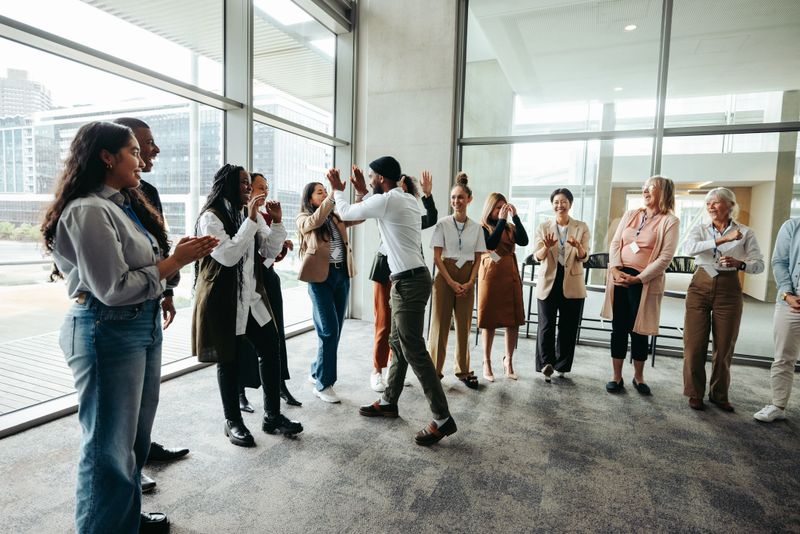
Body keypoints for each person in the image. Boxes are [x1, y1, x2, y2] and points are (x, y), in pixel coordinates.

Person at [41, 121, 217, 533]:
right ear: (107, 157)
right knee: (108, 447)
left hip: (140, 324)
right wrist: (175, 262)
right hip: (108, 329)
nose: (142, 159)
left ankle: (123, 521)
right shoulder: (87, 209)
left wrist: (171, 265)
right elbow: (113, 289)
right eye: (134, 151)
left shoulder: (121, 204)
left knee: (134, 442)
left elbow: (139, 271)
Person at [331, 156, 457, 446]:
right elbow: (371, 211)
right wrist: (366, 191)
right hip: (410, 279)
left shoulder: (389, 200)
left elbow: (347, 212)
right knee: (398, 343)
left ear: (382, 179)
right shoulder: (407, 199)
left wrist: (339, 189)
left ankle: (442, 418)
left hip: (409, 282)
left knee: (413, 349)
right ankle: (389, 401)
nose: (371, 180)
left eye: (373, 177)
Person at [193, 164, 303, 447]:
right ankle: (233, 422)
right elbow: (228, 255)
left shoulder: (247, 214)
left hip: (252, 298)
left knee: (271, 348)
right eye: (243, 183)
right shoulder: (211, 218)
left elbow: (267, 250)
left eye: (248, 183)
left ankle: (272, 417)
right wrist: (252, 219)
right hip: (224, 301)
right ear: (228, 184)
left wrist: (276, 223)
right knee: (227, 359)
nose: (248, 187)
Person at [113, 117, 190, 493]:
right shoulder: (96, 206)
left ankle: (141, 451)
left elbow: (158, 244)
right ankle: (129, 466)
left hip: (149, 302)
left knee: (145, 398)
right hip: (120, 312)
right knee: (122, 409)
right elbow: (114, 281)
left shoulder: (149, 191)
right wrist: (172, 266)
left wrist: (168, 291)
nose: (150, 152)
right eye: (140, 147)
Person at [682, 187, 764, 411]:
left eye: (716, 202)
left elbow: (759, 264)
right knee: (694, 344)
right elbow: (689, 248)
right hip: (700, 285)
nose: (710, 206)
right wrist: (721, 241)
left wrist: (740, 264)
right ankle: (695, 392)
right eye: (708, 203)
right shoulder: (700, 228)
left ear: (730, 206)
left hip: (729, 288)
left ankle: (719, 394)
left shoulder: (746, 232)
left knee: (725, 345)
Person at [600, 176, 679, 395]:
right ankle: (616, 377)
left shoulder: (670, 221)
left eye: (651, 188)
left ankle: (639, 377)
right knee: (618, 327)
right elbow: (616, 243)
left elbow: (665, 257)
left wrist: (638, 278)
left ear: (663, 192)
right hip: (619, 277)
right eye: (644, 188)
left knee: (639, 329)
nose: (645, 191)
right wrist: (615, 268)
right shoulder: (631, 214)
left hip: (644, 282)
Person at [237, 172, 301, 411]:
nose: (264, 192)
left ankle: (279, 386)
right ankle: (240, 390)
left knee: (275, 334)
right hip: (249, 282)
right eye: (259, 187)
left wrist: (281, 244)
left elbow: (270, 254)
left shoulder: (266, 217)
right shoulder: (244, 215)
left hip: (267, 280)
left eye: (267, 187)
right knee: (243, 337)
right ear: (247, 189)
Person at [369, 171, 438, 392]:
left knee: (402, 328)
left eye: (406, 187)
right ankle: (377, 371)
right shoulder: (387, 207)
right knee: (384, 323)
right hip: (385, 270)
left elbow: (433, 217)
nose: (402, 190)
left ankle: (393, 369)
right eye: (399, 186)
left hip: (409, 273)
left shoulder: (412, 214)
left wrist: (428, 195)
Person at [296, 181, 362, 403]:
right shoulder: (304, 218)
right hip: (319, 280)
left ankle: (316, 371)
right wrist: (332, 196)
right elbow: (315, 221)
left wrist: (361, 193)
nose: (324, 194)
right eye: (320, 192)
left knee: (335, 330)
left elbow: (358, 216)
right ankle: (324, 384)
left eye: (326, 191)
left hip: (341, 276)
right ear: (309, 198)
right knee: (329, 331)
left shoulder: (335, 216)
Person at [428, 172, 486, 389]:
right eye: (453, 197)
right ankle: (434, 370)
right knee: (440, 325)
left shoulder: (477, 228)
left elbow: (479, 257)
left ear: (469, 199)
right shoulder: (443, 224)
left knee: (464, 326)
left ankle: (463, 370)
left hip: (468, 275)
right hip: (445, 274)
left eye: (460, 197)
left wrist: (471, 282)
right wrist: (451, 282)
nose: (456, 201)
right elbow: (436, 257)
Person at [533, 188, 590, 382]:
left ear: (570, 204)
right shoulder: (543, 227)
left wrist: (578, 247)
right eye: (556, 202)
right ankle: (546, 364)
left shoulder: (581, 227)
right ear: (552, 205)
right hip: (549, 280)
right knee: (546, 326)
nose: (560, 205)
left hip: (572, 281)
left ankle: (562, 365)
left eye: (564, 201)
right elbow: (537, 256)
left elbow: (584, 257)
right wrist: (546, 247)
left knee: (568, 327)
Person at [477, 192, 529, 381]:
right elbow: (490, 243)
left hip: (509, 271)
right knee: (489, 318)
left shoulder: (510, 226)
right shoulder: (483, 227)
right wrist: (500, 221)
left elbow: (524, 241)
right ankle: (486, 361)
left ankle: (508, 360)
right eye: (498, 207)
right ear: (490, 208)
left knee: (512, 318)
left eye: (504, 207)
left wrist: (514, 216)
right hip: (490, 273)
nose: (501, 211)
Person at [754, 218, 800, 422]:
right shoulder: (792, 226)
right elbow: (779, 262)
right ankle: (778, 405)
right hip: (790, 302)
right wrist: (787, 294)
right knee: (783, 357)